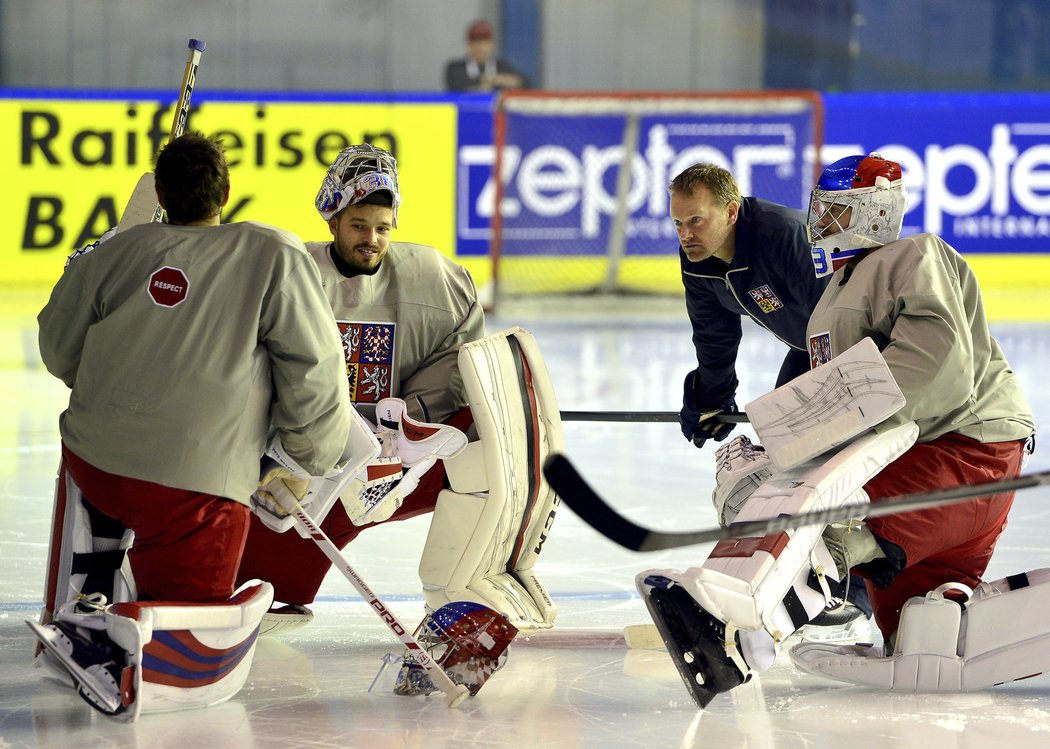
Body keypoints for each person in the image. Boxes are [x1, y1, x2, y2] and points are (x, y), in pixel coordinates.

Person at [639, 152, 1037, 707]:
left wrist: (802, 429)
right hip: (922, 452)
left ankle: (741, 637)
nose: (819, 224)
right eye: (820, 210)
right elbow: (823, 375)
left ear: (874, 212)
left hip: (964, 450)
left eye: (837, 211)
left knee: (825, 529)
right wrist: (769, 419)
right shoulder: (835, 290)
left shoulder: (913, 255)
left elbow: (935, 369)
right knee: (924, 631)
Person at [34, 132, 354, 718]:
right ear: (227, 192)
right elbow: (316, 372)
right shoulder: (273, 255)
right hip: (193, 489)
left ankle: (91, 597)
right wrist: (307, 461)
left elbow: (59, 352)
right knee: (188, 606)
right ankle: (133, 636)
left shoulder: (114, 253)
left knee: (124, 498)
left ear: (160, 193)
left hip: (95, 463)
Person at [236, 144, 560, 636]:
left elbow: (467, 363)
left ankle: (460, 601)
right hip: (300, 476)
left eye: (383, 228)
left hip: (396, 466)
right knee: (257, 589)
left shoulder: (434, 279)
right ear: (332, 221)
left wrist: (409, 418)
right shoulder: (288, 273)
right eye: (359, 226)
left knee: (490, 448)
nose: (372, 239)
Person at [669, 162, 869, 634]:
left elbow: (842, 315)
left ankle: (854, 584)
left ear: (732, 211)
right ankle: (818, 576)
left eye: (696, 220)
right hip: (811, 346)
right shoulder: (698, 258)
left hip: (858, 346)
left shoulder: (784, 237)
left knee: (819, 459)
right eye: (678, 223)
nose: (685, 234)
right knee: (789, 453)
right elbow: (714, 333)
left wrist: (828, 407)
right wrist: (712, 398)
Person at [445, 18, 530, 92]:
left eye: (485, 43)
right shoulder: (455, 67)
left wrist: (494, 80)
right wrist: (494, 80)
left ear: (491, 44)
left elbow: (526, 83)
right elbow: (457, 85)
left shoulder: (501, 66)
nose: (480, 48)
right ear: (468, 45)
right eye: (476, 43)